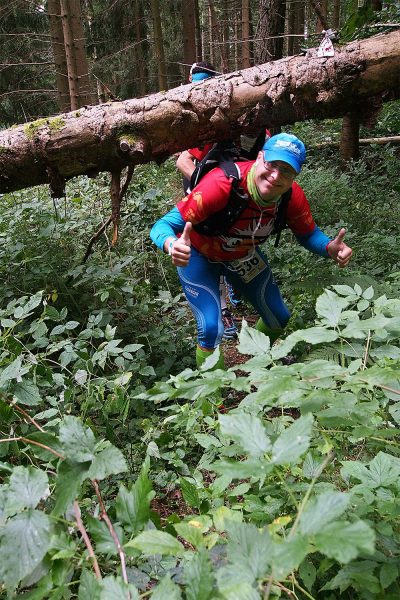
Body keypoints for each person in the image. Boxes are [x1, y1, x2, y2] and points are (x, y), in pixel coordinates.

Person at [152, 133, 352, 369]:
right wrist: (171, 244)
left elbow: (308, 234)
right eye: (272, 165)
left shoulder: (290, 196)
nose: (276, 176)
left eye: (286, 171)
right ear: (259, 158)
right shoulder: (221, 184)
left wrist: (328, 247)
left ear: (295, 177)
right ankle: (213, 401)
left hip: (242, 255)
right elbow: (162, 226)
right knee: (210, 329)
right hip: (198, 254)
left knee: (279, 317)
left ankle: (256, 367)